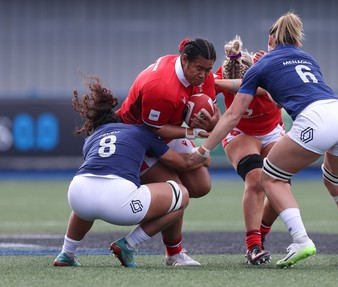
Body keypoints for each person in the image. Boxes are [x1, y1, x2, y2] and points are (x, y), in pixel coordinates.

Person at [192, 12, 338, 269]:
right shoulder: (307, 58)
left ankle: (300, 240)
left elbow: (234, 114)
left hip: (315, 119)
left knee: (269, 178)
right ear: (297, 42)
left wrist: (202, 149)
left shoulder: (261, 62)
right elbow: (279, 98)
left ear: (270, 40)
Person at [53, 75, 210, 267]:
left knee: (87, 201)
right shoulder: (141, 131)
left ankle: (66, 253)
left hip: (77, 193)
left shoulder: (92, 137)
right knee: (181, 194)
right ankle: (129, 244)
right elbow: (182, 163)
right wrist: (204, 153)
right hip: (119, 201)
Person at [116, 37, 219, 266]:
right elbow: (153, 128)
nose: (204, 75)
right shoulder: (160, 86)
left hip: (164, 131)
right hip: (137, 138)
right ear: (184, 60)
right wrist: (193, 135)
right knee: (177, 194)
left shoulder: (205, 75)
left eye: (208, 69)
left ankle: (164, 207)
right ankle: (171, 253)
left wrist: (212, 120)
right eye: (199, 68)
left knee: (201, 185)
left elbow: (212, 115)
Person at [213, 36, 284, 265]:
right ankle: (253, 245)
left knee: (279, 185)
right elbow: (202, 91)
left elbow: (267, 92)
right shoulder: (220, 73)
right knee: (255, 180)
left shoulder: (262, 67)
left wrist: (220, 84)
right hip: (241, 133)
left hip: (272, 131)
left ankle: (261, 236)